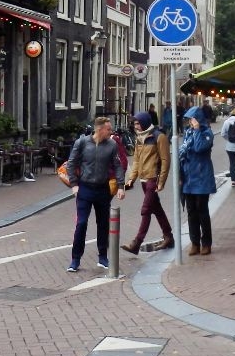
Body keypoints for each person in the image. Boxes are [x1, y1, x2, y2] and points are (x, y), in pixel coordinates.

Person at [64, 116, 125, 273]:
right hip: (85, 188)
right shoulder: (82, 143)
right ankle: (75, 259)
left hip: (102, 189)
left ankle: (103, 257)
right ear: (99, 129)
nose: (111, 132)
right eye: (108, 129)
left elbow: (117, 165)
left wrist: (120, 186)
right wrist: (74, 184)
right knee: (81, 223)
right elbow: (71, 163)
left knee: (103, 223)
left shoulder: (112, 145)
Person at [122, 112, 173, 254]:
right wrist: (131, 178)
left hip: (153, 178)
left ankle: (136, 243)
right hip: (143, 180)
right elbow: (136, 160)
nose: (135, 126)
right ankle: (168, 236)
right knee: (156, 209)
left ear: (144, 122)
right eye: (134, 124)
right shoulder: (139, 138)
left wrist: (161, 181)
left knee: (146, 210)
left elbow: (165, 160)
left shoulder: (159, 137)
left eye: (138, 123)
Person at [179, 110, 216, 256]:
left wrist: (197, 130)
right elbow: (183, 152)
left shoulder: (207, 133)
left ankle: (206, 243)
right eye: (189, 120)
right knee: (191, 212)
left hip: (201, 177)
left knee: (202, 211)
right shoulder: (188, 133)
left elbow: (199, 148)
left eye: (192, 119)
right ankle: (194, 243)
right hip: (189, 178)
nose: (190, 122)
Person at [220, 106, 235, 188]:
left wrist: (228, 139)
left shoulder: (227, 122)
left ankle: (233, 181)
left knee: (232, 164)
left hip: (229, 146)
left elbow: (223, 134)